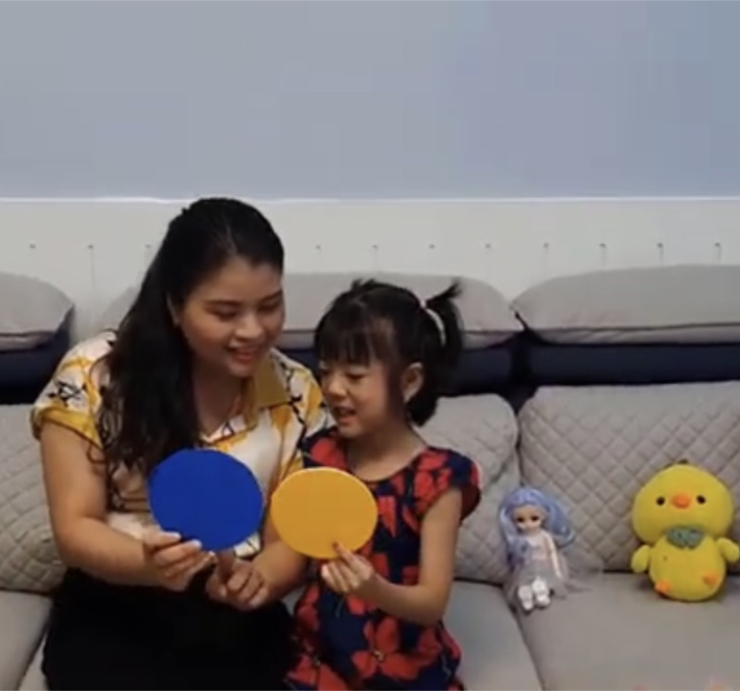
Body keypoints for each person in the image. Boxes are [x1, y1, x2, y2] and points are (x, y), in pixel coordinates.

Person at [31, 197, 328, 691]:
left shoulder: (297, 391)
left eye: (269, 306)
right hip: (116, 596)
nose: (253, 331)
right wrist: (148, 567)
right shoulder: (93, 375)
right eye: (225, 312)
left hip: (234, 608)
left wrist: (260, 581)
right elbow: (75, 526)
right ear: (174, 305)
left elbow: (288, 540)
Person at [286, 279, 483, 691]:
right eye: (326, 371)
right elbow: (291, 548)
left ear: (409, 382)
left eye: (355, 375)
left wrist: (373, 589)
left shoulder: (438, 479)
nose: (333, 388)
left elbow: (431, 603)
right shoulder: (320, 453)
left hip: (401, 659)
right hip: (320, 651)